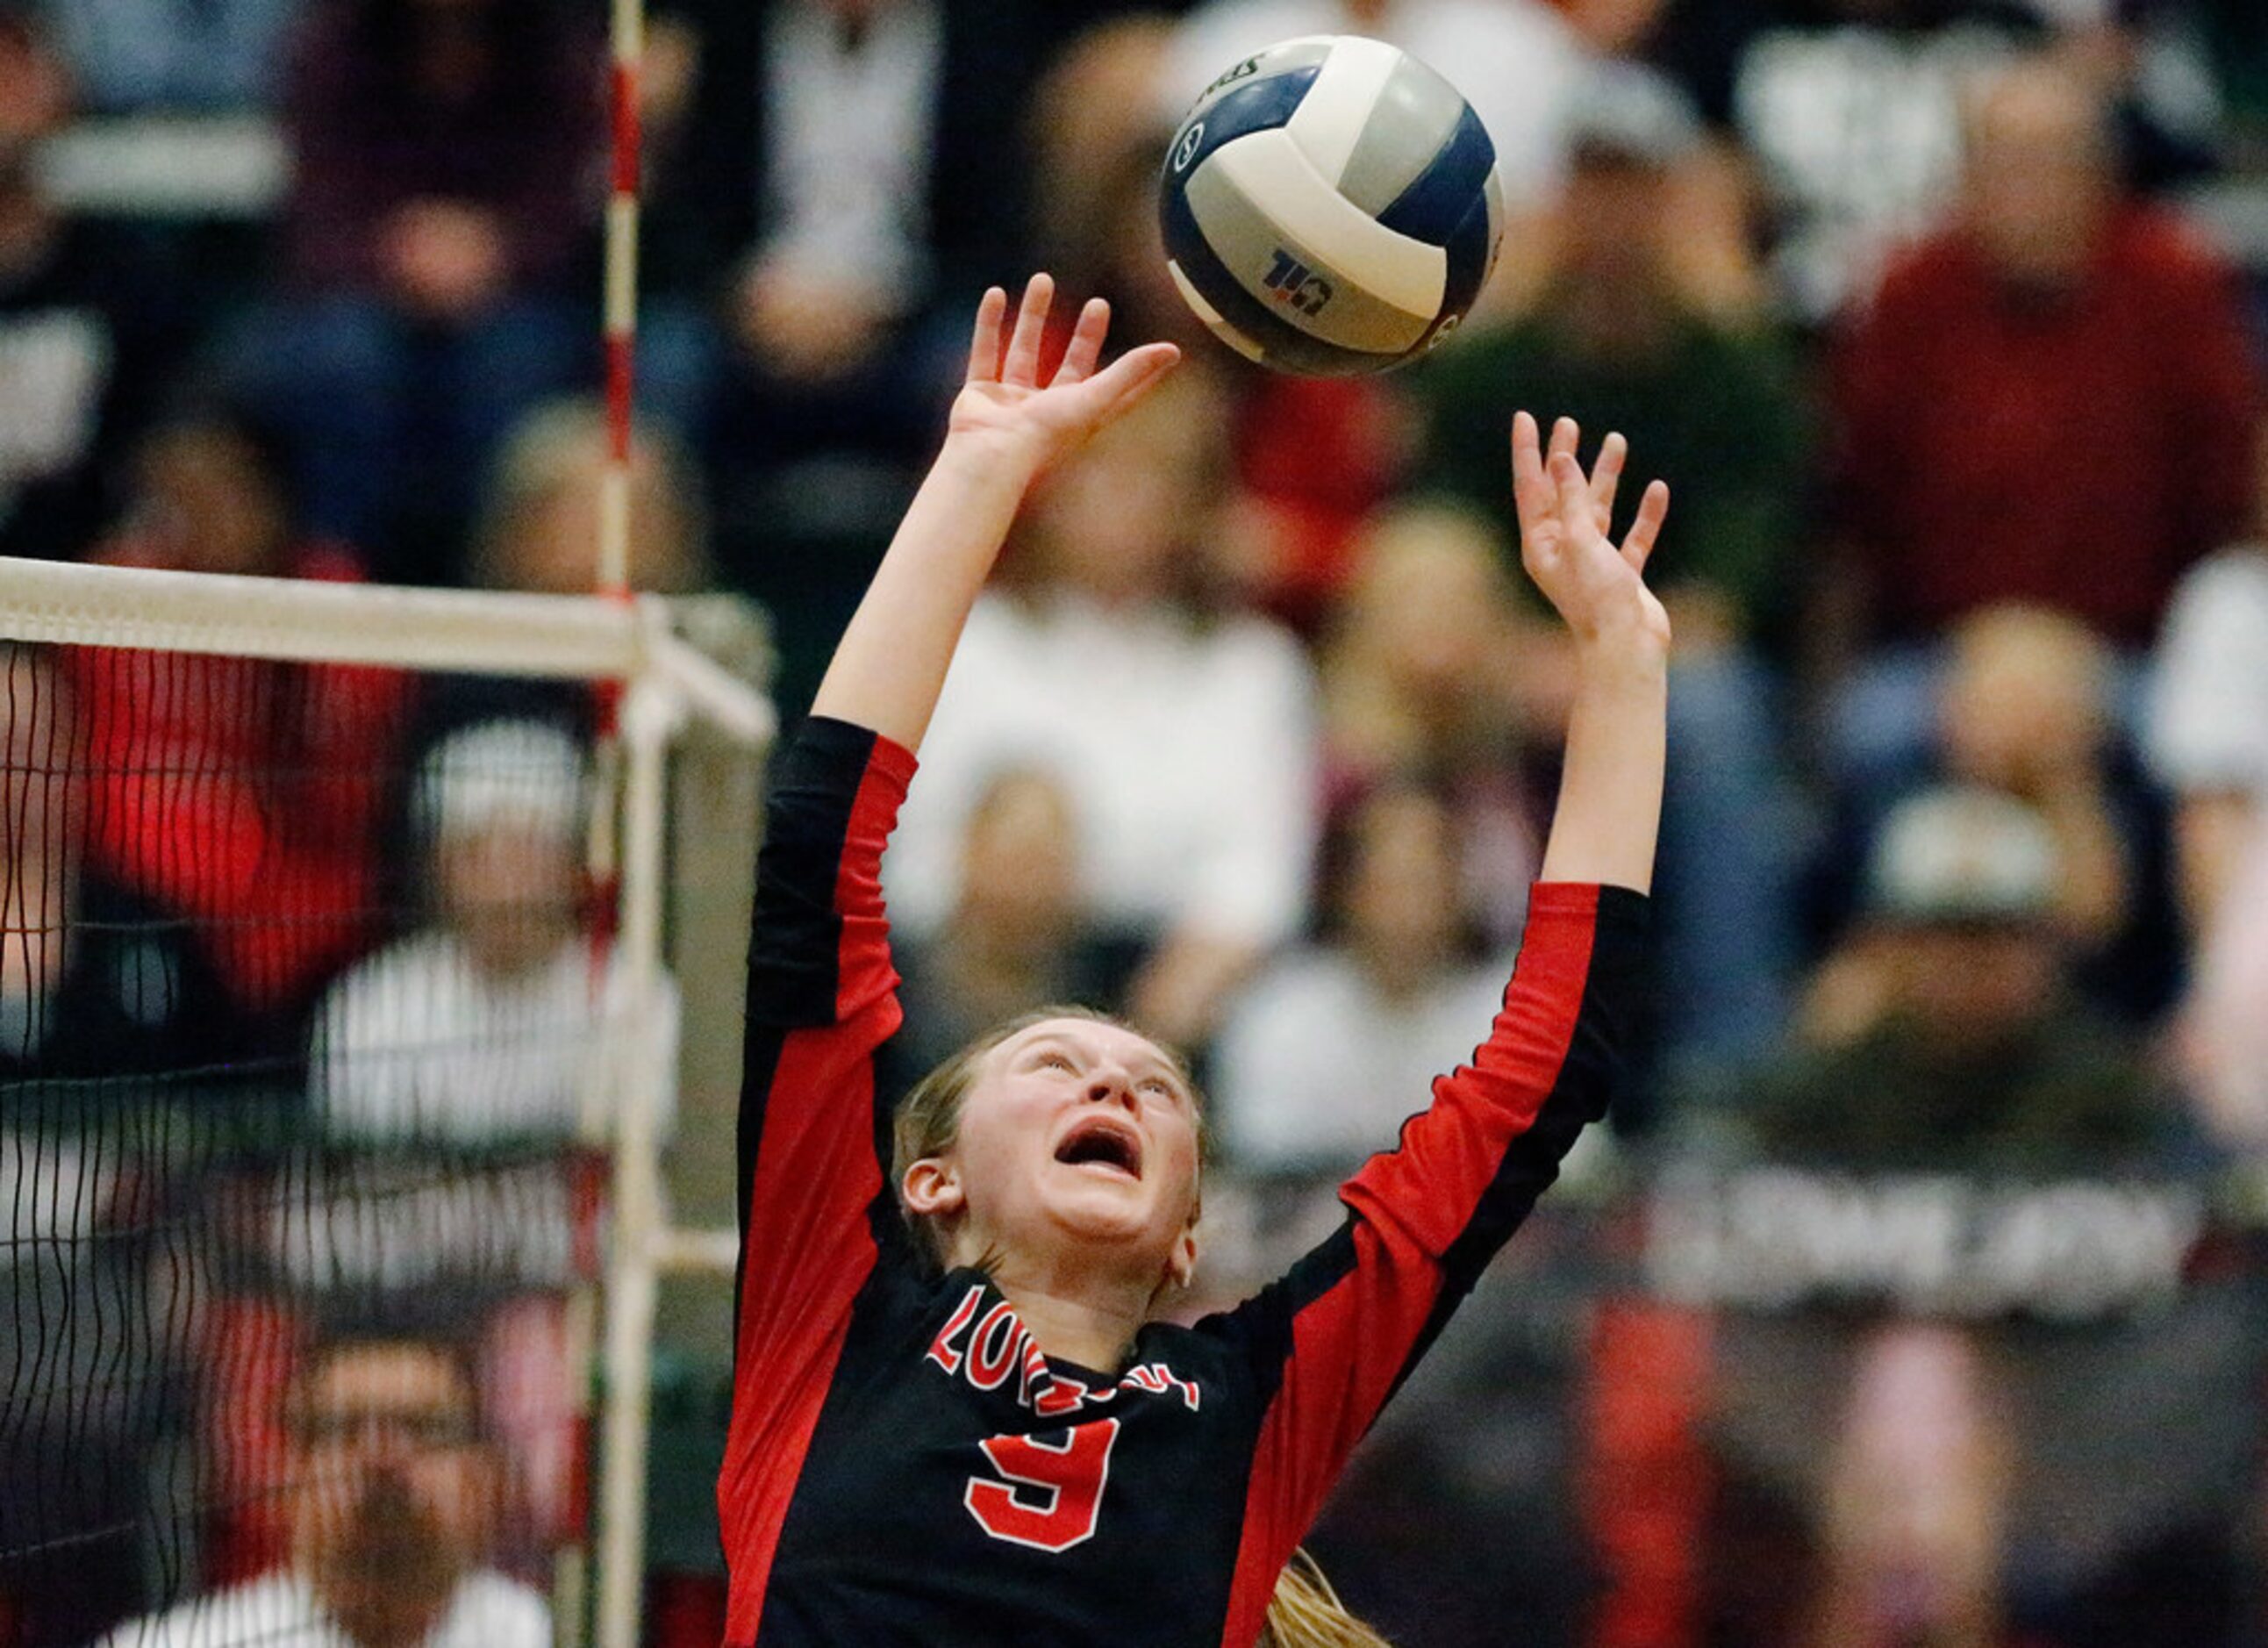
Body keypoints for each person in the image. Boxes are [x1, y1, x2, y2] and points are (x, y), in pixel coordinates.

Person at [720, 273, 1665, 1644]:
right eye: (1055, 1063)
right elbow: (814, 875)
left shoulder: (1250, 1410)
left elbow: (1534, 1083)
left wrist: (1620, 669)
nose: (1112, 1086)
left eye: (1155, 1087)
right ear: (927, 1178)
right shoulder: (830, 1320)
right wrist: (980, 477)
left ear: (1187, 1240)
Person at [97, 1329, 551, 1648]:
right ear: (289, 1471)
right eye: (344, 1430)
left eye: (422, 1428)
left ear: (483, 1474)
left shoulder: (556, 1636)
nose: (383, 1458)